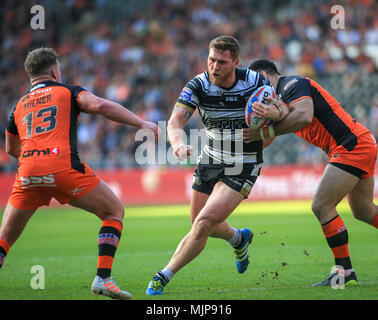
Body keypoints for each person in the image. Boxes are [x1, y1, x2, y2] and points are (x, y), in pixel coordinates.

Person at [0, 47, 159, 300]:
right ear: (54, 70)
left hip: (28, 172)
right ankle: (103, 279)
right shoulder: (69, 91)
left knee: (5, 238)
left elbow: (10, 148)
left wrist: (35, 162)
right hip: (63, 168)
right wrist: (141, 123)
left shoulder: (18, 105)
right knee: (114, 211)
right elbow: (98, 105)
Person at [145, 36, 274, 295]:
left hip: (244, 163)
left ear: (236, 63)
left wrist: (261, 134)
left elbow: (274, 125)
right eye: (211, 60)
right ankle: (239, 238)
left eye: (222, 62)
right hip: (211, 158)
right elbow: (175, 123)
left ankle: (163, 276)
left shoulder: (257, 83)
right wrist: (179, 144)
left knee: (203, 223)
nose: (214, 67)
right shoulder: (198, 84)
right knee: (198, 222)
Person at [245, 59, 378, 286]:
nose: (252, 89)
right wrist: (250, 139)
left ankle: (344, 273)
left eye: (254, 81)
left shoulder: (292, 84)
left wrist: (260, 133)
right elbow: (272, 135)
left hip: (349, 146)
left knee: (321, 206)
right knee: (364, 211)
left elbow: (304, 116)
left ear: (264, 76)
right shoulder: (279, 102)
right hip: (358, 143)